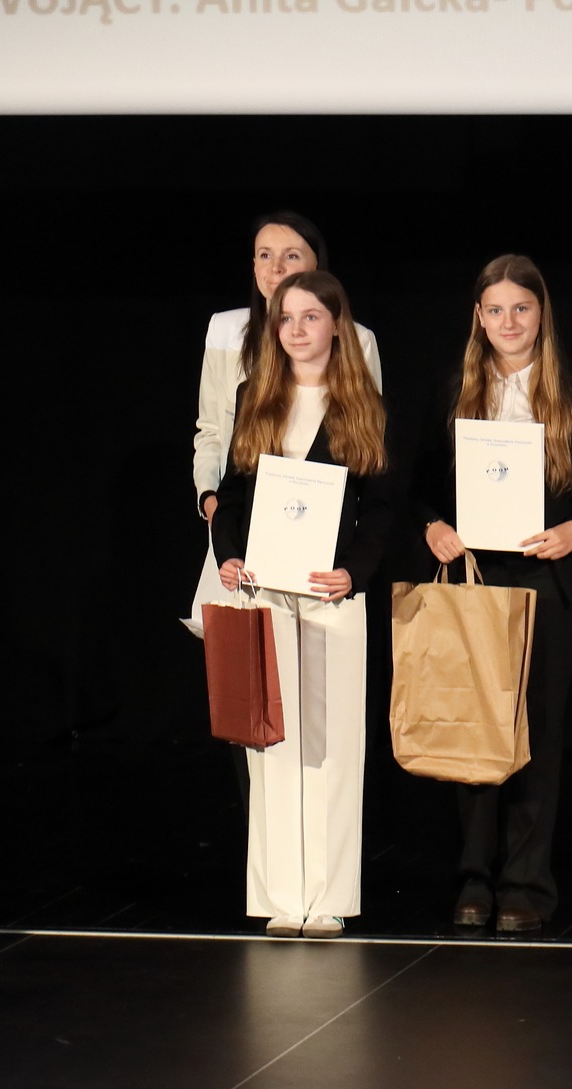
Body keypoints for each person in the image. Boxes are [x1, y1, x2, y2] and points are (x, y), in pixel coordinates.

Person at [419, 255, 572, 935]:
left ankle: (526, 882)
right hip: (476, 579)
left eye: (521, 309)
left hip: (543, 581)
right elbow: (418, 487)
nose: (509, 322)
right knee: (476, 726)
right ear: (478, 317)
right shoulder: (454, 391)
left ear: (541, 315)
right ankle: (474, 876)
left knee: (538, 734)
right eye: (496, 310)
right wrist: (433, 527)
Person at [212, 271, 393, 938]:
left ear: (336, 325)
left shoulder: (363, 404)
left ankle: (329, 896)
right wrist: (230, 555)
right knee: (272, 744)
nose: (295, 329)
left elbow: (381, 508)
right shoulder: (255, 397)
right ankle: (281, 897)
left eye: (310, 316)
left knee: (333, 748)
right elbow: (232, 494)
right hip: (265, 591)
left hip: (330, 595)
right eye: (285, 317)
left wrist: (354, 573)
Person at [193, 212, 381, 522]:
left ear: (316, 265)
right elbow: (211, 430)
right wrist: (210, 499)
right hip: (239, 522)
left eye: (291, 256)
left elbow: (367, 441)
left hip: (323, 523)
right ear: (254, 265)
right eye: (265, 255)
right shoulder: (224, 330)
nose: (276, 267)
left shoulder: (355, 339)